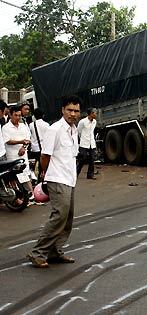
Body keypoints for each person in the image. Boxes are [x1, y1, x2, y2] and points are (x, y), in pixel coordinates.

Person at [27, 95, 81, 268]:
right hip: (57, 178)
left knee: (67, 218)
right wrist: (44, 173)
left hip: (69, 178)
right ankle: (38, 253)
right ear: (63, 110)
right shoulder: (55, 129)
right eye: (70, 110)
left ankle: (54, 251)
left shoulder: (74, 130)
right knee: (59, 216)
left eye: (76, 111)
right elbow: (45, 155)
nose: (73, 114)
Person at [2, 105, 34, 202]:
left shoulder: (23, 126)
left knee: (25, 174)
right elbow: (8, 141)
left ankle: (31, 195)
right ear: (10, 115)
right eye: (16, 115)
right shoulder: (5, 128)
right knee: (13, 177)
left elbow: (28, 139)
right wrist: (21, 142)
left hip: (23, 155)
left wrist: (24, 147)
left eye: (20, 116)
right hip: (11, 156)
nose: (18, 118)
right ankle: (16, 197)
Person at [29, 108, 50, 181]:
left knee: (33, 166)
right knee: (42, 167)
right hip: (43, 148)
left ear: (34, 116)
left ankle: (34, 179)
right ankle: (42, 180)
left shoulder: (31, 125)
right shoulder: (46, 125)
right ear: (43, 115)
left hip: (34, 149)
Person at [76, 108, 97, 179]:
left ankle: (90, 175)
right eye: (95, 113)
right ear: (91, 114)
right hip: (84, 143)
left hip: (92, 143)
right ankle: (76, 173)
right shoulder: (82, 122)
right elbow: (79, 131)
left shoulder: (94, 122)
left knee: (92, 159)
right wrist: (83, 138)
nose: (96, 114)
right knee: (83, 158)